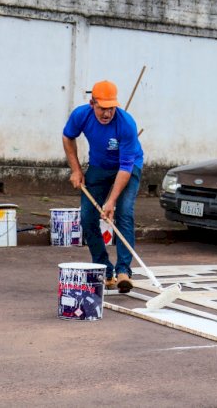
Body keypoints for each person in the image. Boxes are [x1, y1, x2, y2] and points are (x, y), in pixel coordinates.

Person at [62, 80, 144, 293]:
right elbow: (67, 136)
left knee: (124, 213)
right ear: (92, 103)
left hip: (128, 167)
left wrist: (111, 201)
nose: (106, 113)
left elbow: (125, 167)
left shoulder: (126, 124)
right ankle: (104, 270)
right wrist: (76, 170)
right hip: (98, 166)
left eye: (111, 108)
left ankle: (124, 270)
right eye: (102, 108)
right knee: (88, 217)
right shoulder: (81, 115)